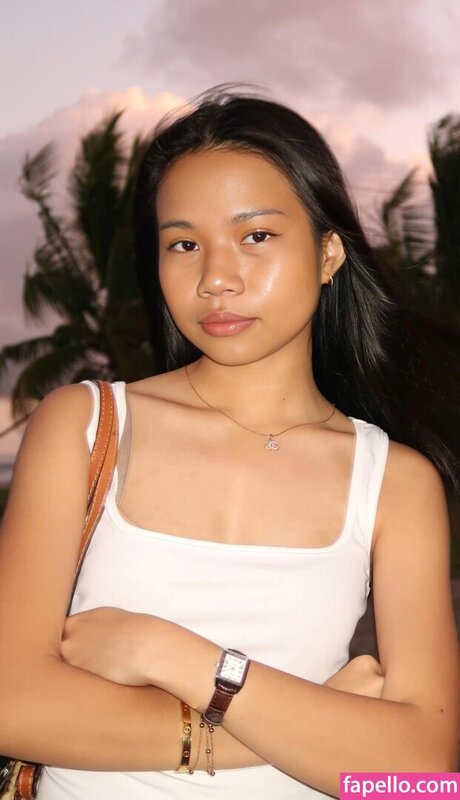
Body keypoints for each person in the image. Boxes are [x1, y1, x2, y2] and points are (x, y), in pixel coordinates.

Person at [0, 86, 458, 800]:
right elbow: (13, 706)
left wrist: (172, 654)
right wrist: (294, 727)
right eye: (184, 244)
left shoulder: (393, 481)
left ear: (328, 253)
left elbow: (420, 773)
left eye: (257, 236)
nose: (216, 278)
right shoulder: (84, 427)